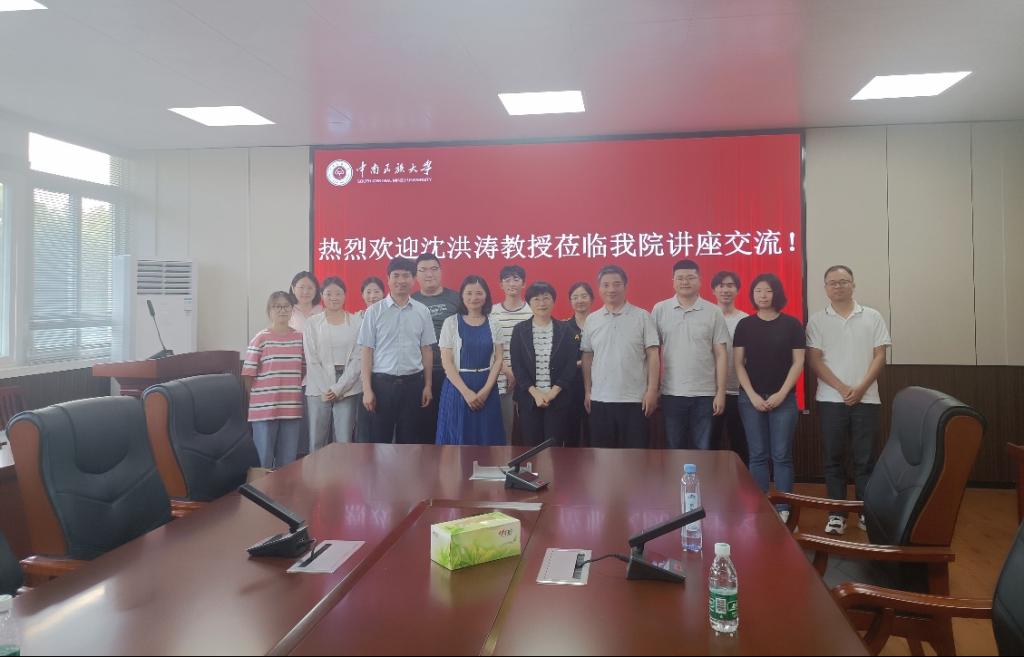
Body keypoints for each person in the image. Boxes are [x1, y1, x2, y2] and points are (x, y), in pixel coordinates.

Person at [806, 265, 891, 535]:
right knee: (833, 459)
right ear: (825, 288)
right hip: (830, 400)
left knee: (865, 460)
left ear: (853, 284)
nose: (838, 286)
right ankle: (837, 514)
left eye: (843, 281)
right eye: (832, 282)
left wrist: (861, 388)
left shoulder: (872, 316)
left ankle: (865, 512)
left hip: (867, 399)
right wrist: (842, 388)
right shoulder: (817, 320)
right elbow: (814, 360)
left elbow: (880, 355)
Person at [733, 274, 805, 523]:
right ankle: (759, 504)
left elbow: (798, 363)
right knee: (757, 454)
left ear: (777, 294)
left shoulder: (792, 325)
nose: (763, 295)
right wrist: (752, 395)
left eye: (768, 290)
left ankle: (784, 507)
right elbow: (738, 364)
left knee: (782, 455)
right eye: (758, 291)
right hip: (750, 399)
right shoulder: (744, 325)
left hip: (784, 399)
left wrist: (782, 393)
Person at [357, 257, 436, 444]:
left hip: (413, 385)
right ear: (388, 279)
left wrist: (427, 385)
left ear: (414, 279)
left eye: (406, 276)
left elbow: (427, 350)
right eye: (396, 275)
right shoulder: (374, 312)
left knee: (409, 442)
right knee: (379, 442)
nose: (401, 280)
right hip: (381, 385)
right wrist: (367, 389)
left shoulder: (422, 311)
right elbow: (367, 351)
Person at [652, 260, 729, 450]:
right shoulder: (660, 309)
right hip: (671, 393)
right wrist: (653, 389)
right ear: (673, 281)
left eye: (690, 277)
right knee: (674, 448)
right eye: (680, 278)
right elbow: (652, 353)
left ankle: (700, 473)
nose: (685, 282)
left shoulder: (713, 312)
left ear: (700, 280)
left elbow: (721, 354)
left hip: (705, 394)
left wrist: (720, 392)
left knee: (703, 450)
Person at [581, 265, 660, 449]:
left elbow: (653, 355)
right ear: (599, 288)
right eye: (606, 285)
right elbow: (587, 356)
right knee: (602, 457)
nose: (611, 289)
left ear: (625, 286)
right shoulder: (592, 319)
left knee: (635, 457)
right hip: (600, 399)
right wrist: (588, 391)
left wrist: (651, 391)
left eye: (617, 284)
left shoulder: (642, 316)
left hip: (635, 400)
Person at [435, 276, 505, 445]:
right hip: (457, 388)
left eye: (479, 293)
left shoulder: (494, 324)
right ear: (462, 295)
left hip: (487, 387)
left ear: (486, 296)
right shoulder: (450, 323)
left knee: (488, 438)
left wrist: (486, 391)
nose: (474, 297)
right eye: (469, 293)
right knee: (456, 439)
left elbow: (498, 359)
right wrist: (466, 393)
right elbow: (447, 362)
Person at [511, 282, 580, 446]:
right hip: (529, 400)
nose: (542, 303)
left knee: (554, 448)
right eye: (536, 299)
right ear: (529, 303)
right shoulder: (519, 330)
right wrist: (535, 394)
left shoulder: (566, 330)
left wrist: (551, 394)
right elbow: (517, 365)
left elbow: (570, 366)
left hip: (558, 399)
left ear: (553, 301)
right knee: (531, 447)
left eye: (546, 298)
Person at [242, 291, 305, 468]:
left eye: (286, 306)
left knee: (288, 462)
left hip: (291, 407)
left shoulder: (300, 338)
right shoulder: (260, 338)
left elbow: (303, 369)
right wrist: (257, 400)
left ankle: (284, 488)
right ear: (269, 310)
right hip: (264, 408)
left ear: (292, 310)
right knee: (263, 460)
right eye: (277, 306)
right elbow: (248, 374)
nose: (282, 310)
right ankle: (260, 488)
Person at [303, 276, 362, 452]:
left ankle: (342, 471)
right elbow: (311, 359)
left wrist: (339, 388)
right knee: (316, 439)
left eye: (338, 293)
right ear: (322, 295)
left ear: (345, 295)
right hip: (318, 385)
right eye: (329, 294)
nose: (334, 298)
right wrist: (327, 389)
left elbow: (358, 358)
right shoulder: (312, 323)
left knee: (344, 439)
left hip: (347, 385)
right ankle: (316, 471)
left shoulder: (356, 322)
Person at [412, 253, 461, 443]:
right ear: (416, 275)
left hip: (452, 371)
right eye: (423, 270)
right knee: (424, 425)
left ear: (441, 271)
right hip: (419, 372)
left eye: (433, 269)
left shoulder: (456, 299)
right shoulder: (410, 301)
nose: (429, 274)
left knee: (451, 423)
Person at [489, 265, 534, 443]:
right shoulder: (492, 312)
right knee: (504, 431)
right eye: (507, 280)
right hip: (500, 380)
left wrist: (519, 375)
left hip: (528, 382)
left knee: (527, 431)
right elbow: (488, 347)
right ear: (501, 285)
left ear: (523, 283)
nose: (512, 283)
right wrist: (507, 371)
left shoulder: (532, 311)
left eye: (516, 279)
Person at [710, 270, 750, 465]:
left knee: (740, 443)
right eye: (721, 285)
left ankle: (741, 482)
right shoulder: (707, 317)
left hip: (738, 391)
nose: (725, 290)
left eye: (730, 285)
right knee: (710, 443)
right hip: (710, 391)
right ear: (713, 290)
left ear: (737, 290)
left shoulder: (746, 320)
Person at [566, 281, 593, 447]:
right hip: (571, 386)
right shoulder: (563, 327)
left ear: (591, 298)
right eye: (575, 297)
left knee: (594, 431)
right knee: (571, 432)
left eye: (584, 296)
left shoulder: (599, 323)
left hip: (597, 384)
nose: (580, 300)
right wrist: (580, 363)